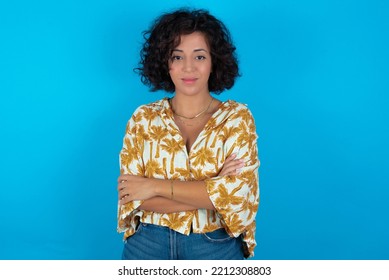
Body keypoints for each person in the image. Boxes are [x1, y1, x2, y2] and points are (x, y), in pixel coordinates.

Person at [117, 8, 260, 260]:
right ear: (165, 62)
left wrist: (153, 186)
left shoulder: (236, 118)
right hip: (146, 245)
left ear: (214, 61)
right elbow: (133, 198)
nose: (189, 68)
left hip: (215, 245)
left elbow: (238, 195)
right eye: (177, 57)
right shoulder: (143, 118)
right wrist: (213, 191)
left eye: (200, 57)